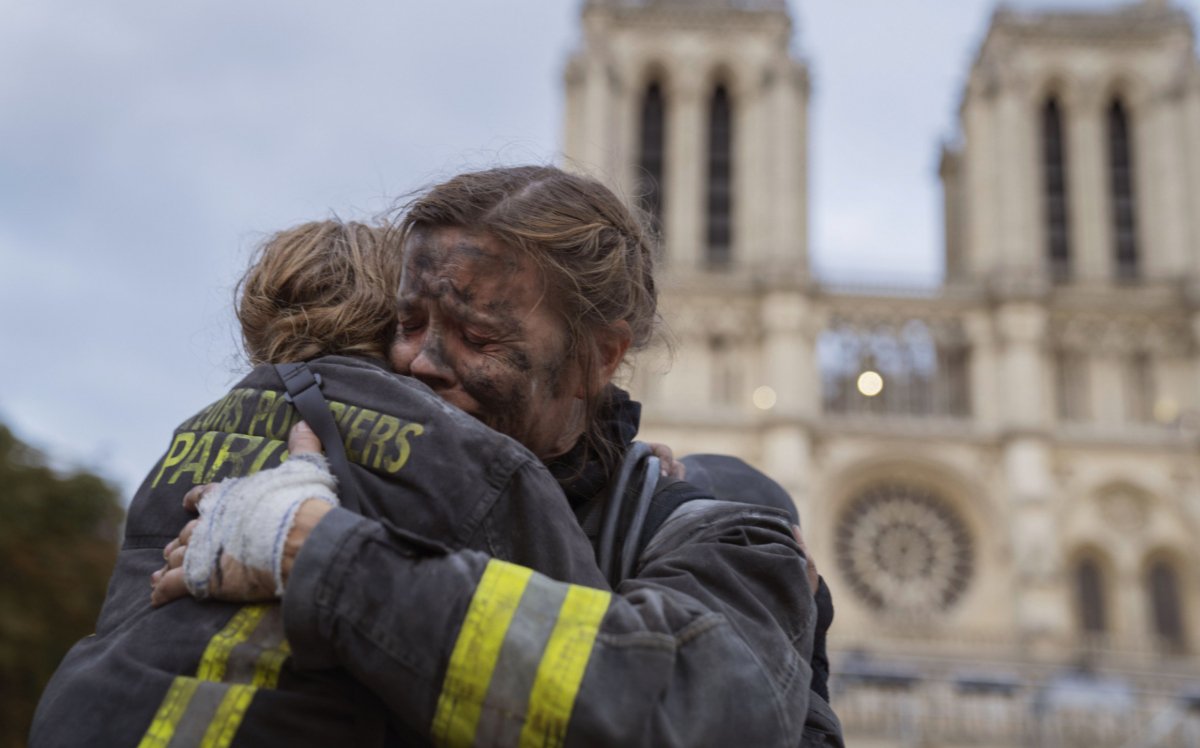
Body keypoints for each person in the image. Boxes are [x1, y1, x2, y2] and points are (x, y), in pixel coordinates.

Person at [153, 166, 843, 746]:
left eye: (476, 335)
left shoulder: (720, 532)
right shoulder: (306, 480)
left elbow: (693, 715)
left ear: (598, 357)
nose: (418, 362)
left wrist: (327, 559)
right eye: (408, 323)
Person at [30, 219, 617, 746]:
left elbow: (133, 609)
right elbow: (597, 666)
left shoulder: (187, 439)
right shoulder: (471, 455)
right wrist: (612, 454)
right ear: (400, 316)